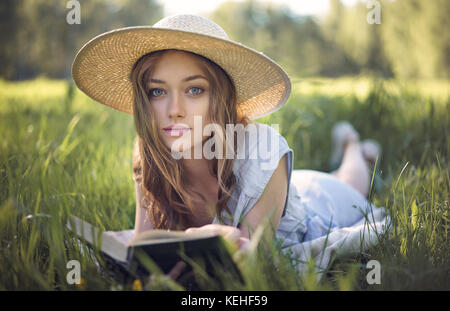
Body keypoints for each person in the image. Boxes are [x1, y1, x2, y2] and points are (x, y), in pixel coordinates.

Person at [72, 14, 383, 281]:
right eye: (157, 91)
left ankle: (353, 144)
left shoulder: (264, 149)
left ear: (219, 97)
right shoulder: (147, 153)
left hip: (318, 205)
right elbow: (145, 244)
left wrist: (193, 239)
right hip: (280, 188)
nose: (174, 109)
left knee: (352, 185)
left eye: (194, 89)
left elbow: (249, 264)